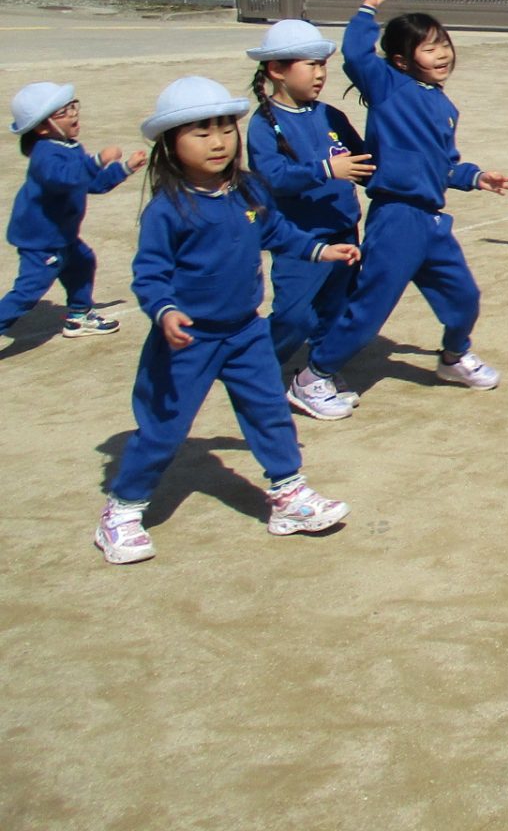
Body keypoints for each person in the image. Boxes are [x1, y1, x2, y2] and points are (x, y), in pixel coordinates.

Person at [95, 77, 358, 564]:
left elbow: (278, 232)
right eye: (201, 132)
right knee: (164, 428)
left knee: (269, 412)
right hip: (187, 340)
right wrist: (165, 311)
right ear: (171, 144)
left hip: (246, 332)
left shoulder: (248, 190)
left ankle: (288, 495)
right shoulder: (167, 210)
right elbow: (149, 275)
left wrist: (320, 250)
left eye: (224, 129)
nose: (218, 142)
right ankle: (123, 509)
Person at [288, 0, 508, 420]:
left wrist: (476, 177)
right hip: (396, 217)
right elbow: (356, 55)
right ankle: (312, 377)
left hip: (431, 221)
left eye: (443, 44)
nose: (442, 54)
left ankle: (453, 356)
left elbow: (445, 165)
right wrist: (367, 7)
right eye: (429, 49)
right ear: (400, 60)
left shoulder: (444, 106)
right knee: (371, 307)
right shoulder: (389, 86)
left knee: (464, 297)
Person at [246, 19, 374, 371]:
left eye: (323, 65)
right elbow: (273, 177)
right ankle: (258, 368)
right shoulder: (264, 123)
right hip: (300, 240)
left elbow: (365, 164)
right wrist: (325, 170)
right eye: (311, 65)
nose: (320, 74)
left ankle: (318, 376)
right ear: (277, 70)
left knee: (336, 309)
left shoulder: (332, 115)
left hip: (344, 233)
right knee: (294, 317)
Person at [2, 82, 143, 344]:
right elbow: (65, 178)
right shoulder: (44, 154)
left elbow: (91, 183)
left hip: (62, 234)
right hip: (41, 239)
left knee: (82, 263)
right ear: (43, 127)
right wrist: (98, 161)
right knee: (28, 291)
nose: (73, 114)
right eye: (63, 112)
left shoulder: (71, 147)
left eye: (72, 107)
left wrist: (124, 168)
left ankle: (79, 316)